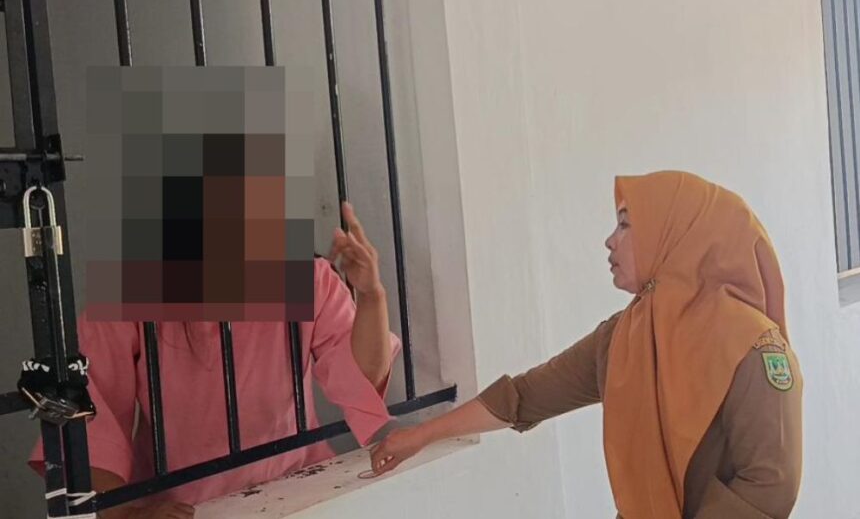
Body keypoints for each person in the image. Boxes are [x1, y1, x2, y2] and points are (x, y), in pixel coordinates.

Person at [370, 171, 802, 519]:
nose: (610, 240)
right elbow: (524, 397)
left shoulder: (754, 348)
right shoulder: (626, 338)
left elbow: (770, 486)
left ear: (673, 235)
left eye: (626, 224)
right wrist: (421, 435)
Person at [30, 202, 401, 519]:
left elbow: (363, 380)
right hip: (178, 506)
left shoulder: (305, 278)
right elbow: (88, 416)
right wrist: (124, 513)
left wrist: (372, 295)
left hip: (297, 487)